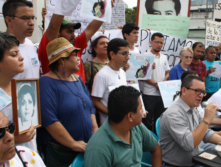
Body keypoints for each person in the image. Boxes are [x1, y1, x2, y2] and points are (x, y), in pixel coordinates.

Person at [37, 38, 98, 166]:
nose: (78, 58)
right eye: (74, 55)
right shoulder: (45, 83)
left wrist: (95, 132)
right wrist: (72, 143)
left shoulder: (77, 79)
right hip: (61, 152)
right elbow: (49, 120)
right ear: (61, 60)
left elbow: (90, 108)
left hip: (85, 147)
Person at [159, 75, 221, 167]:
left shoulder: (193, 107)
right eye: (197, 91)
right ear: (184, 91)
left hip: (195, 160)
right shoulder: (173, 114)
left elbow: (205, 133)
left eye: (203, 92)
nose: (201, 95)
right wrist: (207, 119)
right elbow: (189, 144)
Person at [38, 1, 114, 83]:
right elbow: (53, 26)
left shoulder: (75, 45)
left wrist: (105, 8)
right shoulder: (49, 48)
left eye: (73, 31)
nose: (73, 35)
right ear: (58, 33)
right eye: (69, 31)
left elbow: (91, 29)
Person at [85, 86, 162, 166]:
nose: (143, 111)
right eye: (140, 108)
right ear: (130, 116)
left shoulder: (137, 126)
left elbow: (156, 149)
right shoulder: (98, 148)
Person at [0, 32, 36, 153]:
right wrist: (16, 139)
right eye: (14, 54)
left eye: (19, 52)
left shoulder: (23, 87)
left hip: (29, 156)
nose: (21, 58)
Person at [91, 38, 129, 125]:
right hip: (109, 125)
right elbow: (95, 100)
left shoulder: (122, 72)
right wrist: (112, 114)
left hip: (123, 123)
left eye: (128, 54)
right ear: (112, 54)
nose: (128, 57)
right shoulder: (102, 75)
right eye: (124, 54)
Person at [3, 0, 40, 79]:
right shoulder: (3, 48)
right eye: (25, 18)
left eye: (33, 18)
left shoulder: (30, 45)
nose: (31, 23)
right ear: (9, 20)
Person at [143, 32, 170, 132]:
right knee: (147, 120)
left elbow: (167, 72)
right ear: (151, 42)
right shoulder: (145, 56)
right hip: (149, 94)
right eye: (157, 42)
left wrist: (163, 83)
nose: (159, 45)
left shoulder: (164, 57)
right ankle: (147, 143)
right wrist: (155, 84)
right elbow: (142, 75)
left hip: (162, 94)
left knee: (160, 120)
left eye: (161, 43)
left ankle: (157, 142)